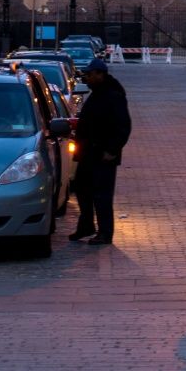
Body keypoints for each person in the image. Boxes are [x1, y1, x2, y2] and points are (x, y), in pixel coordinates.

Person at [69, 58, 131, 246]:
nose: (86, 77)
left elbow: (124, 126)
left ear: (99, 74)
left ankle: (105, 232)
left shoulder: (112, 95)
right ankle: (86, 225)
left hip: (102, 154)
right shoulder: (98, 93)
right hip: (89, 153)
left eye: (89, 74)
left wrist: (112, 150)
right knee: (82, 189)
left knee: (102, 195)